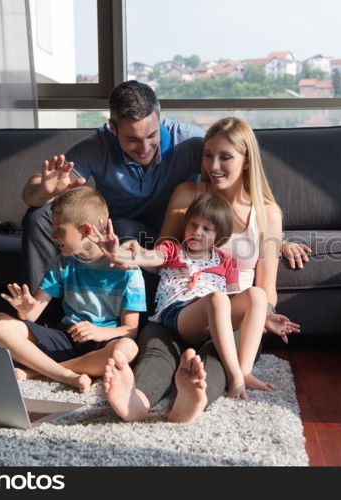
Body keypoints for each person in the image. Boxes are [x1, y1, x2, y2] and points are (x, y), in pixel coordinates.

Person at [101, 117, 303, 423]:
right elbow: (162, 254)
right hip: (178, 308)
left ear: (247, 161)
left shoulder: (267, 213)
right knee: (158, 354)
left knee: (218, 359)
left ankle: (191, 402)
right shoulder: (187, 193)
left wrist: (267, 313)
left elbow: (266, 286)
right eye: (208, 155)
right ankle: (136, 400)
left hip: (234, 316)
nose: (213, 166)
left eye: (225, 157)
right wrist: (129, 254)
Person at [20, 80, 206, 292]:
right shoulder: (97, 146)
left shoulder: (190, 142)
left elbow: (233, 176)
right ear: (112, 128)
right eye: (133, 139)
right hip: (112, 234)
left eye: (152, 135)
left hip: (166, 240)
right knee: (39, 216)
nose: (145, 148)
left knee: (125, 229)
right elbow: (30, 194)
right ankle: (38, 311)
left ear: (159, 120)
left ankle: (134, 320)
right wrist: (44, 192)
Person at [97, 194, 278, 400]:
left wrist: (264, 315)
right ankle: (234, 376)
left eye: (206, 228)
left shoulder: (227, 262)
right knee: (217, 299)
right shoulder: (173, 250)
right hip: (179, 316)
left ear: (219, 235)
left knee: (256, 294)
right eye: (193, 224)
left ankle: (244, 371)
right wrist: (120, 253)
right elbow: (146, 256)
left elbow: (236, 297)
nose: (196, 232)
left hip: (212, 320)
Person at [0, 186, 147, 393]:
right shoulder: (62, 263)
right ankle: (66, 375)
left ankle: (38, 372)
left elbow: (130, 330)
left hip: (102, 342)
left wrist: (100, 332)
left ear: (86, 230)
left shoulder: (128, 270)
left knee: (127, 349)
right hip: (66, 337)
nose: (53, 236)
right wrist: (25, 309)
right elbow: (33, 315)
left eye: (59, 230)